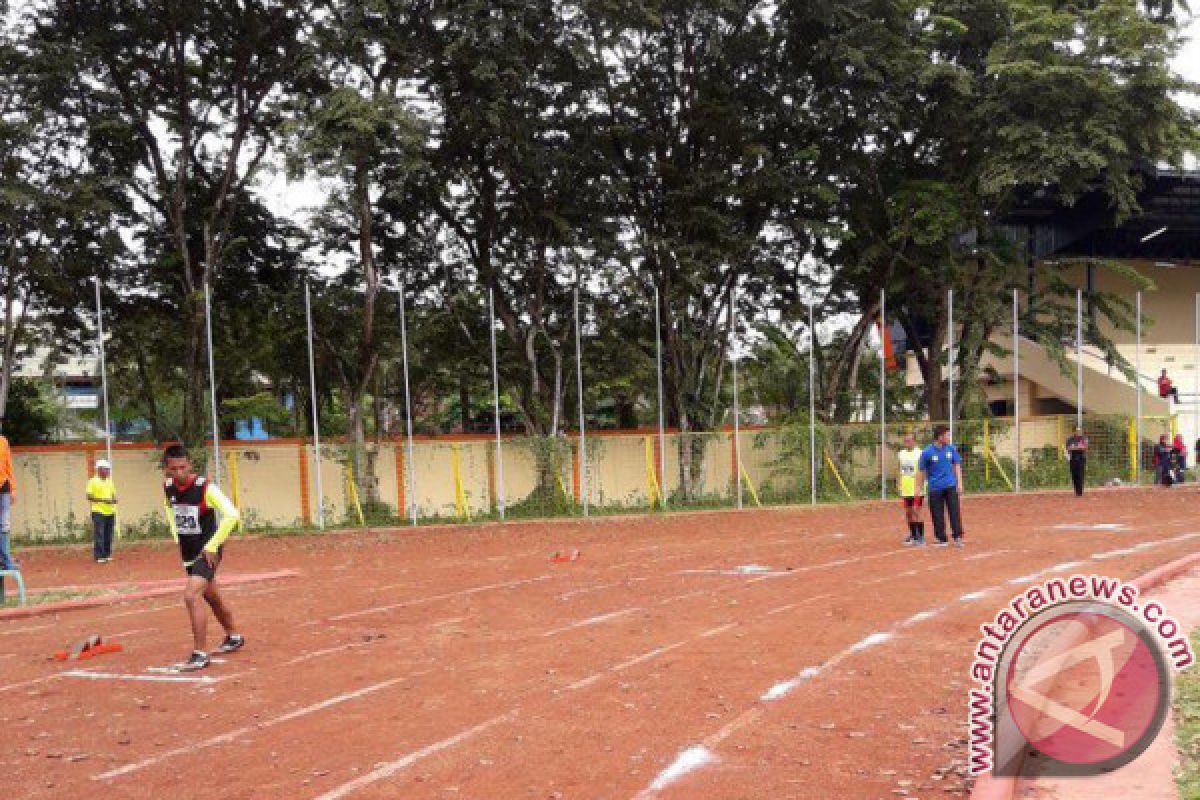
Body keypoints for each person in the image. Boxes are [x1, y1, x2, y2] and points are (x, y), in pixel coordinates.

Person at [162, 444, 244, 671]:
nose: (179, 473)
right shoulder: (168, 487)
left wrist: (213, 545)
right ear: (166, 470)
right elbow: (169, 508)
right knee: (212, 596)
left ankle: (200, 654)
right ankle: (233, 636)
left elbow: (232, 515)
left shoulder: (205, 488)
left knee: (191, 595)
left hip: (207, 552)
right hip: (188, 550)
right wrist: (176, 534)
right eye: (174, 469)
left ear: (190, 465)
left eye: (183, 467)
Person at [916, 424, 965, 548]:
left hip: (950, 486)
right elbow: (921, 471)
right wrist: (919, 487)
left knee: (954, 511)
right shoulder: (927, 452)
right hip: (935, 487)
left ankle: (957, 536)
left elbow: (957, 465)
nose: (949, 437)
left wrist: (959, 483)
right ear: (940, 437)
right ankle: (941, 538)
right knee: (937, 513)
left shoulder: (951, 449)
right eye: (947, 435)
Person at [86, 459, 118, 563]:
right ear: (99, 470)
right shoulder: (92, 481)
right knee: (99, 534)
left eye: (108, 469)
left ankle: (107, 554)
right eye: (106, 469)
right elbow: (89, 496)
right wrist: (103, 500)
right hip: (98, 511)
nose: (108, 472)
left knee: (108, 534)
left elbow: (113, 495)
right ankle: (99, 556)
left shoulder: (110, 481)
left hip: (110, 511)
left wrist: (114, 500)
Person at [896, 433, 925, 545]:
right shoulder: (901, 454)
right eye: (905, 441)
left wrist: (920, 486)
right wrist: (898, 483)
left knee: (916, 511)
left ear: (914, 441)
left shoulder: (920, 453)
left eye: (909, 440)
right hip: (906, 488)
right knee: (908, 513)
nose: (907, 443)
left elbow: (923, 471)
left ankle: (920, 536)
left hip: (916, 487)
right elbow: (899, 469)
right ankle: (913, 535)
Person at [0, 421, 14, 570]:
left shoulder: (4, 441)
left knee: (4, 526)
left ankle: (6, 561)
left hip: (4, 486)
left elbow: (9, 465)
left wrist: (13, 489)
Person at [1065, 427, 1088, 497]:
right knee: (1074, 475)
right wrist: (1078, 447)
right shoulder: (1070, 439)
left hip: (1081, 457)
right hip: (1073, 457)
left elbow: (1085, 447)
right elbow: (1068, 448)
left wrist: (1075, 447)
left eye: (1080, 431)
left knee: (1080, 474)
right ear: (1074, 432)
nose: (1079, 432)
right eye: (1077, 431)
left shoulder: (1083, 438)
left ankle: (1080, 492)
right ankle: (1076, 491)